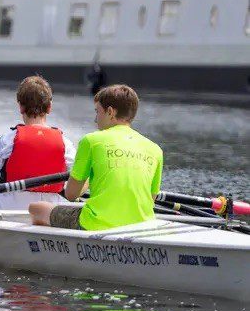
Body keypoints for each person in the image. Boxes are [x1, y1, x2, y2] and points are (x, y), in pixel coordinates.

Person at [29, 84, 163, 231]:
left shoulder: (91, 141)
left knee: (36, 208)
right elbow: (151, 199)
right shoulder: (155, 149)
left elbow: (71, 195)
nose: (95, 119)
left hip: (96, 224)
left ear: (110, 112)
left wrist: (86, 179)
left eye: (97, 112)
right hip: (141, 224)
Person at [0, 76, 75, 211]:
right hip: (50, 209)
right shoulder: (66, 143)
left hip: (10, 208)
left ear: (20, 107)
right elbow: (78, 179)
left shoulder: (8, 139)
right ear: (49, 107)